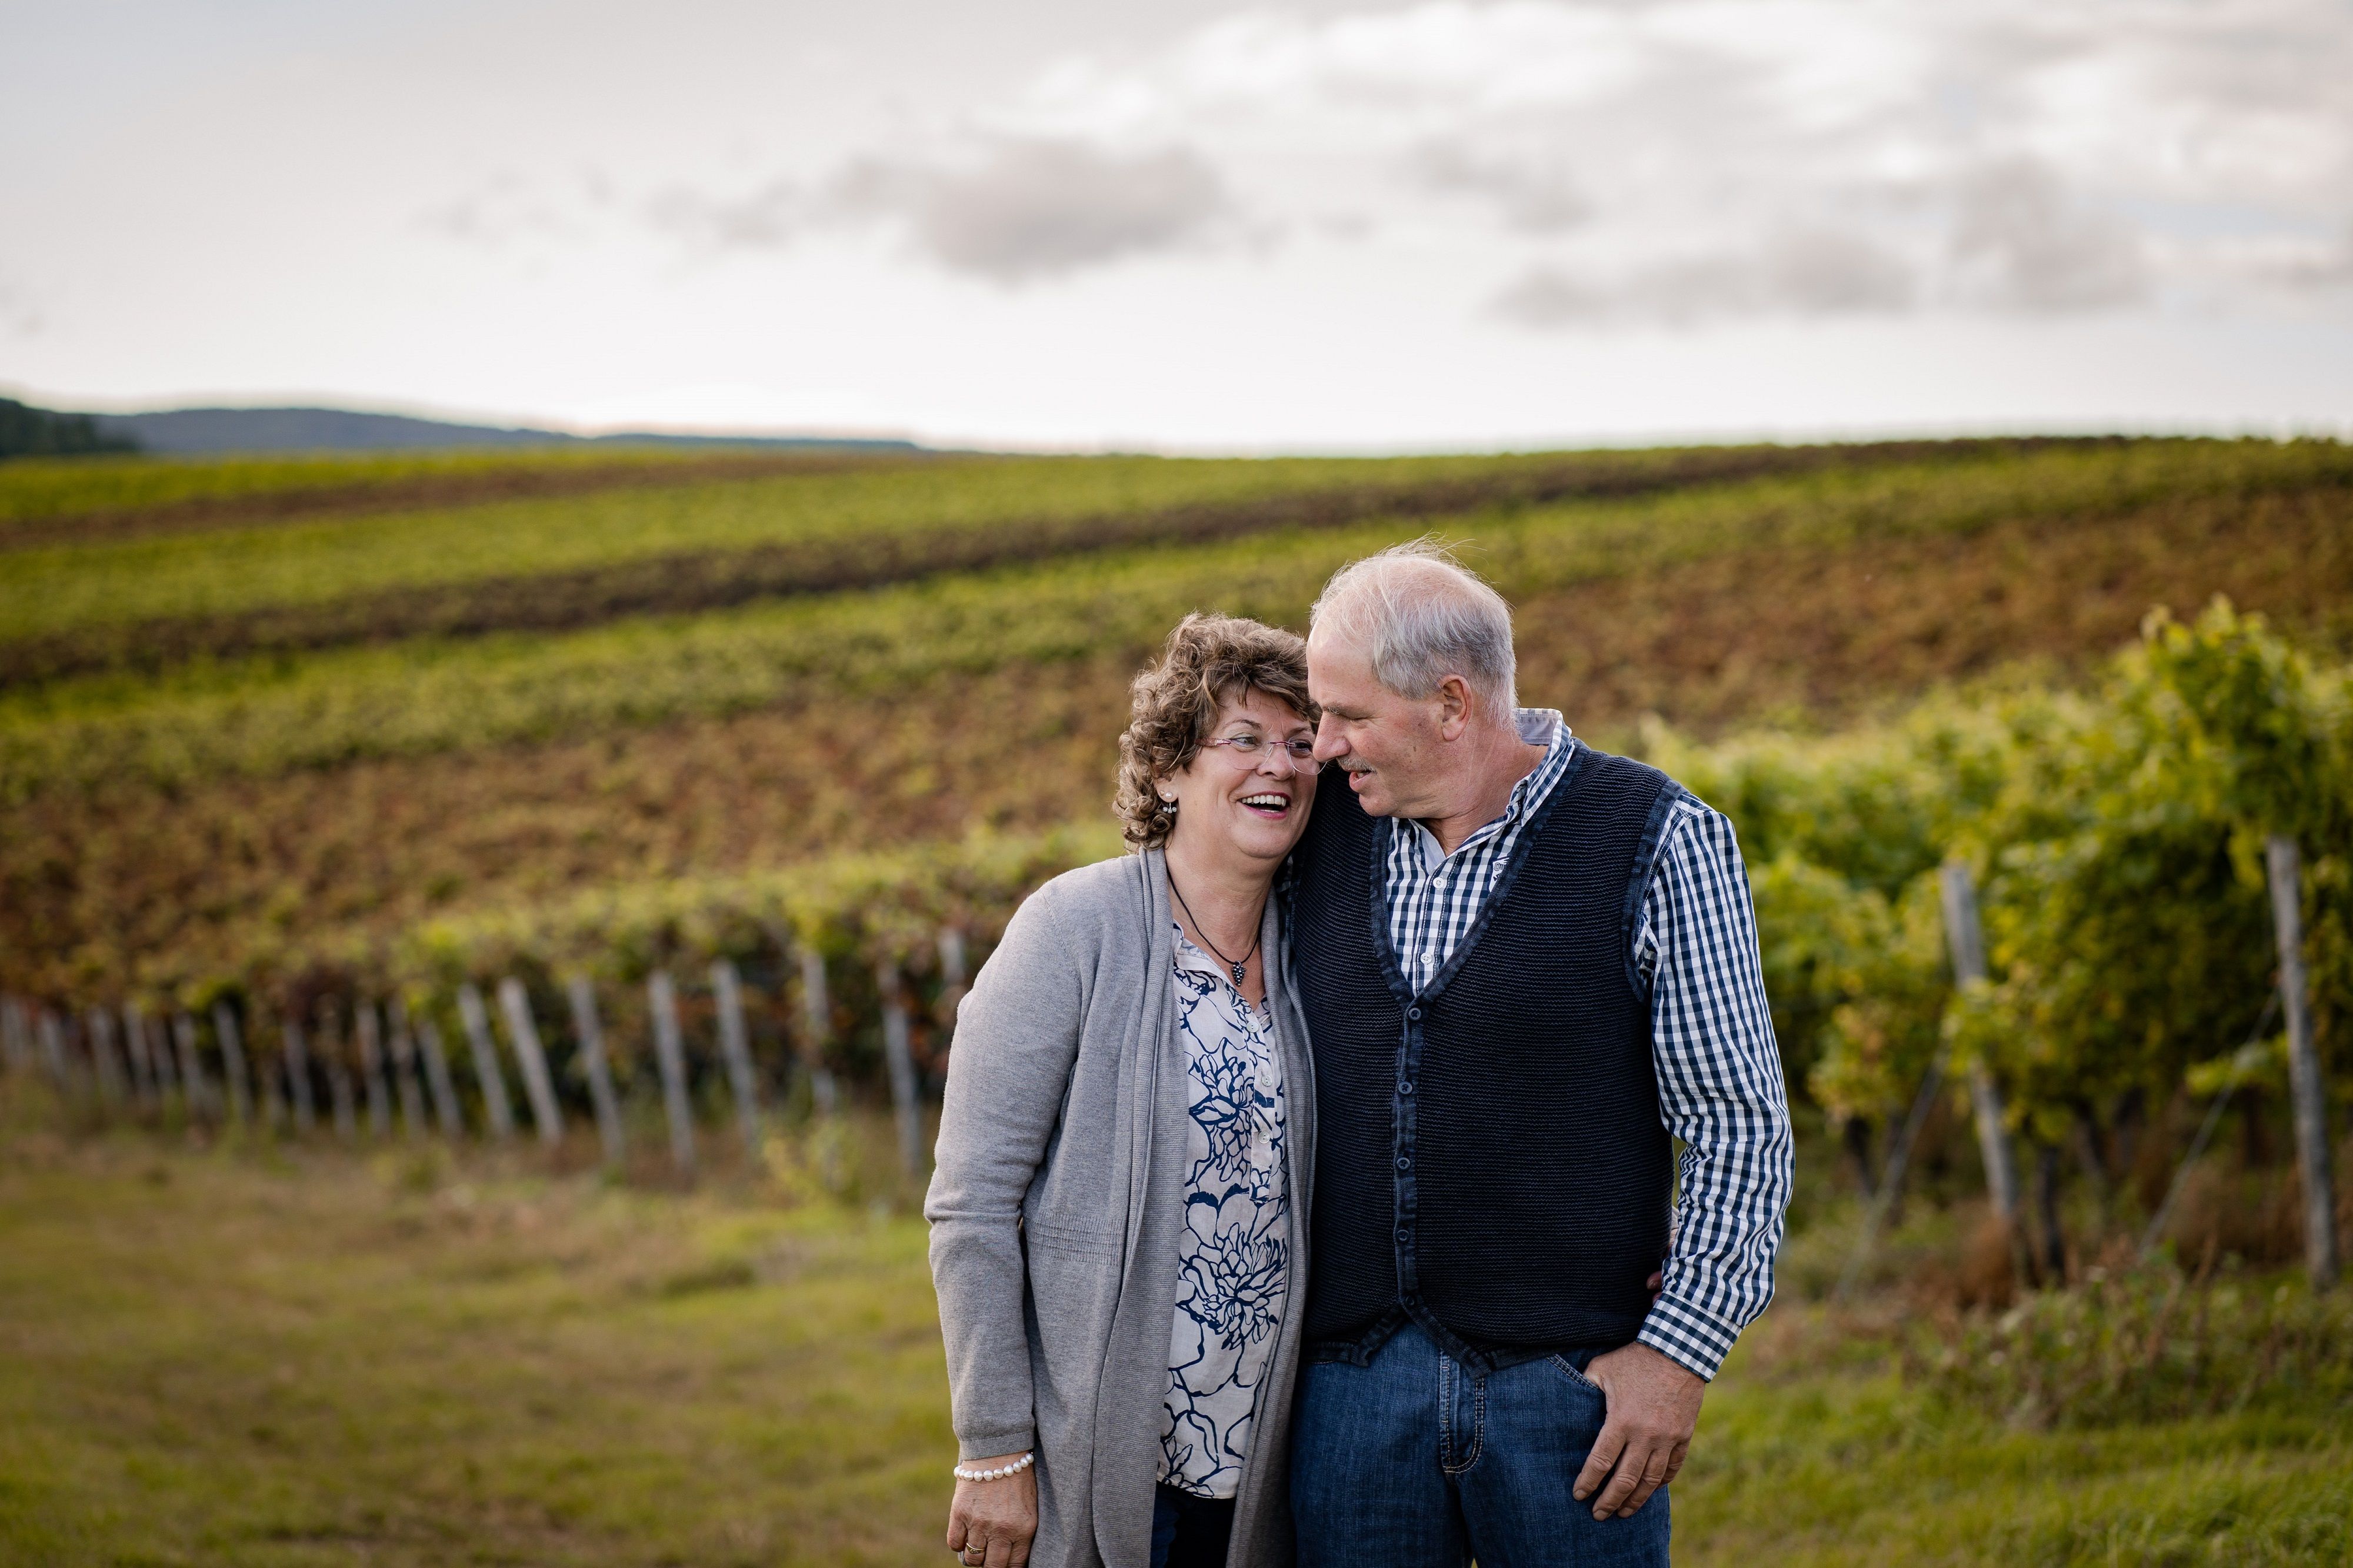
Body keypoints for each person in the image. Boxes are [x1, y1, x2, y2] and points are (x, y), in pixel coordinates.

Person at [1284, 541, 1794, 1567]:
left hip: (1570, 1392)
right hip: (1350, 1390)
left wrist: (1676, 1358)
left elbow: (1737, 1122)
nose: (1322, 743)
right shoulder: (1314, 832)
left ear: (1453, 703)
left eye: (1350, 715)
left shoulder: (1655, 837)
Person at [928, 613, 1322, 1568]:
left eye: (1302, 742)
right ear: (1168, 769)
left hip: (1263, 1459)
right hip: (1098, 1451)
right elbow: (972, 1207)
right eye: (1246, 738)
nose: (1281, 763)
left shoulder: (1314, 946)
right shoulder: (1072, 929)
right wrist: (992, 1448)